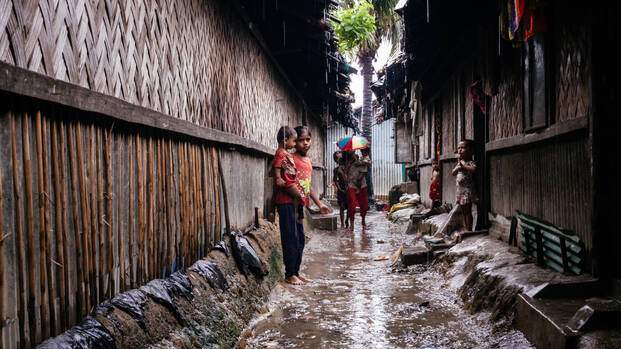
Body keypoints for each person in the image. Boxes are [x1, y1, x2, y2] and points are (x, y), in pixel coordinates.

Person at [291, 125, 330, 284]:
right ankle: (291, 273)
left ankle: (296, 272)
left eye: (308, 139)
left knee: (300, 239)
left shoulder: (308, 161)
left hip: (302, 205)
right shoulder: (292, 159)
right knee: (294, 239)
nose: (305, 143)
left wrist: (319, 204)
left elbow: (308, 186)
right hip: (292, 203)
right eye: (301, 140)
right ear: (294, 142)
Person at [273, 126, 304, 285]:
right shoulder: (280, 153)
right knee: (289, 238)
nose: (296, 143)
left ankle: (295, 272)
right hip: (285, 201)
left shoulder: (287, 155)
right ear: (285, 141)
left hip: (291, 201)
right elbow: (277, 169)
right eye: (294, 140)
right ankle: (289, 274)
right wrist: (278, 177)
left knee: (297, 237)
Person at [451, 140, 477, 233]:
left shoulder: (470, 162)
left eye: (463, 148)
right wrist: (458, 167)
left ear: (470, 150)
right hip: (460, 191)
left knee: (468, 212)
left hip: (467, 191)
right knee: (463, 211)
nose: (460, 150)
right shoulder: (459, 163)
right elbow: (453, 173)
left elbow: (473, 169)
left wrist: (464, 166)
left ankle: (469, 230)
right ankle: (466, 228)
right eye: (459, 148)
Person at [344, 149, 370, 232]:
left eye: (352, 151)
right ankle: (352, 225)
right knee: (351, 205)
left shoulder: (363, 160)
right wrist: (350, 163)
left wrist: (359, 182)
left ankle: (363, 222)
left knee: (364, 205)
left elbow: (363, 172)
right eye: (349, 151)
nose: (351, 152)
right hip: (351, 184)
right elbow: (345, 171)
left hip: (361, 184)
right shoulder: (347, 161)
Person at [331, 151, 349, 230]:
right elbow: (335, 180)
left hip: (349, 186)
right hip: (341, 188)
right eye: (338, 159)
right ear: (336, 160)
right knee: (341, 206)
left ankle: (347, 221)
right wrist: (339, 189)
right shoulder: (336, 170)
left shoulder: (348, 167)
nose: (340, 160)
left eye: (341, 158)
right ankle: (342, 224)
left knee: (349, 206)